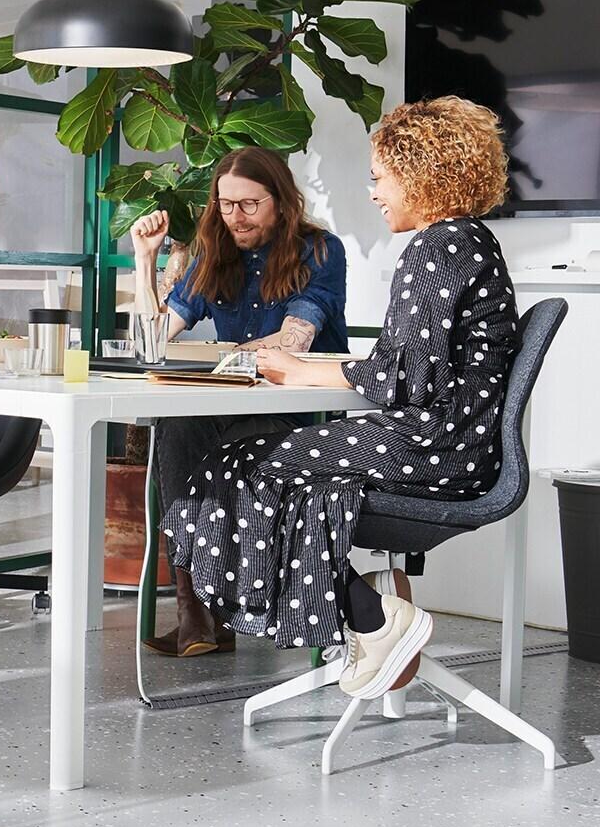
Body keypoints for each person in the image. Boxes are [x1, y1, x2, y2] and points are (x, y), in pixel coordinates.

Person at [163, 97, 514, 701]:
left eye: (380, 178)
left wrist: (301, 376)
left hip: (435, 444)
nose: (375, 193)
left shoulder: (440, 249)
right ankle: (366, 613)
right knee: (243, 465)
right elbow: (408, 369)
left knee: (231, 468)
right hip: (444, 438)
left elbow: (405, 379)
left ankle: (372, 617)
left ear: (422, 173)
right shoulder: (463, 242)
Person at [131, 146, 348, 657]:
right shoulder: (214, 249)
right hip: (227, 404)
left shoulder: (319, 250)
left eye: (249, 204)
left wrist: (221, 357)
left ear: (281, 200)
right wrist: (146, 263)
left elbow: (293, 341)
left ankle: (212, 611)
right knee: (177, 427)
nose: (235, 217)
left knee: (205, 441)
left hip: (297, 411)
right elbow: (151, 344)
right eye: (226, 205)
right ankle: (197, 614)